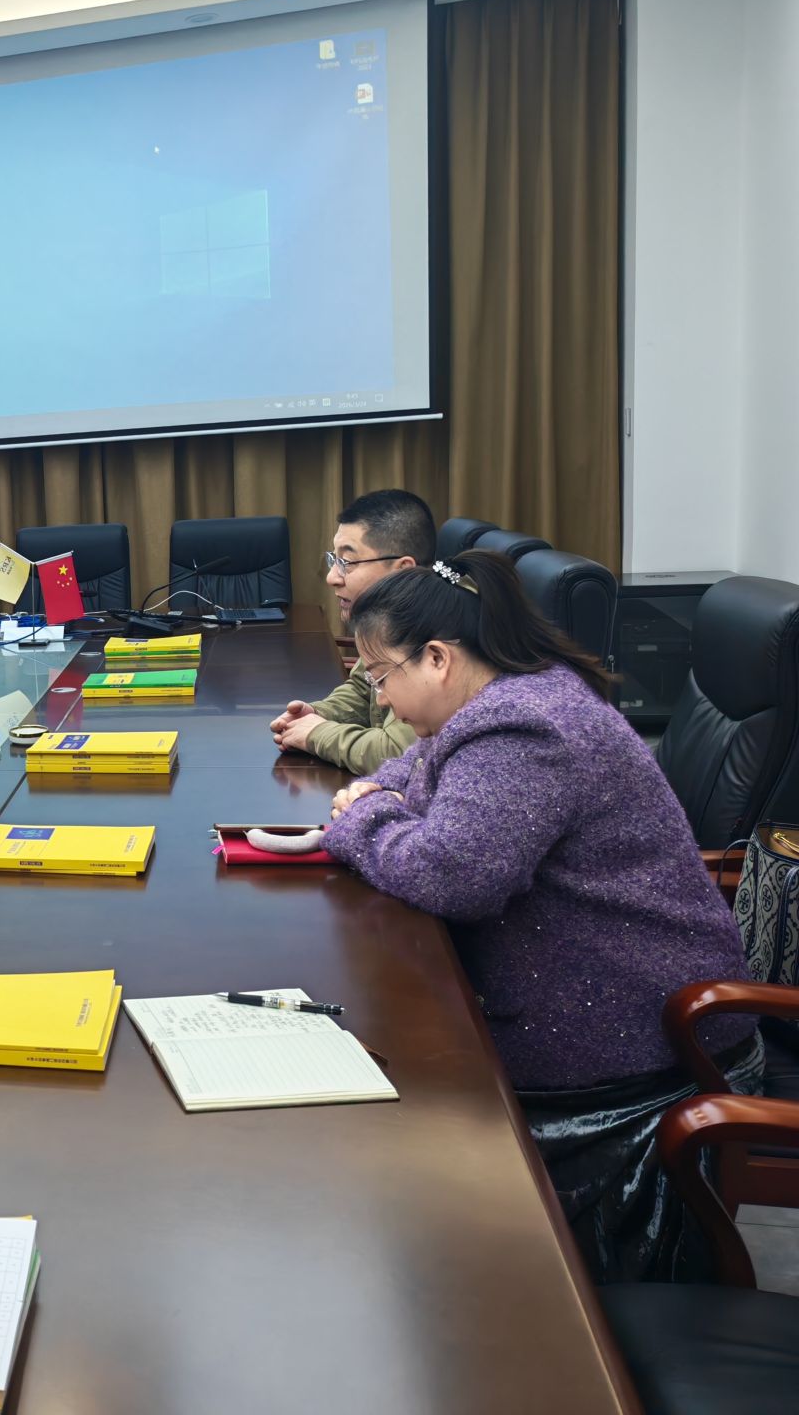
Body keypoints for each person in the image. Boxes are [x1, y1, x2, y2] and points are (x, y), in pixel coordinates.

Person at [322, 550, 758, 1283]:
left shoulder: (526, 729)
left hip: (636, 1038)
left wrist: (363, 821)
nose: (382, 700)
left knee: (397, 1128)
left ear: (437, 659)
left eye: (380, 676)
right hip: (597, 1002)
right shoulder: (497, 704)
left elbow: (452, 875)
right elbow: (414, 775)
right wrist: (377, 799)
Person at [271, 489, 434, 774]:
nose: (332, 577)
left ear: (403, 569)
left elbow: (401, 754)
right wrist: (320, 714)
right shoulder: (387, 620)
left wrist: (317, 734)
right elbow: (363, 687)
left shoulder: (434, 636)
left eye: (347, 562)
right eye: (334, 560)